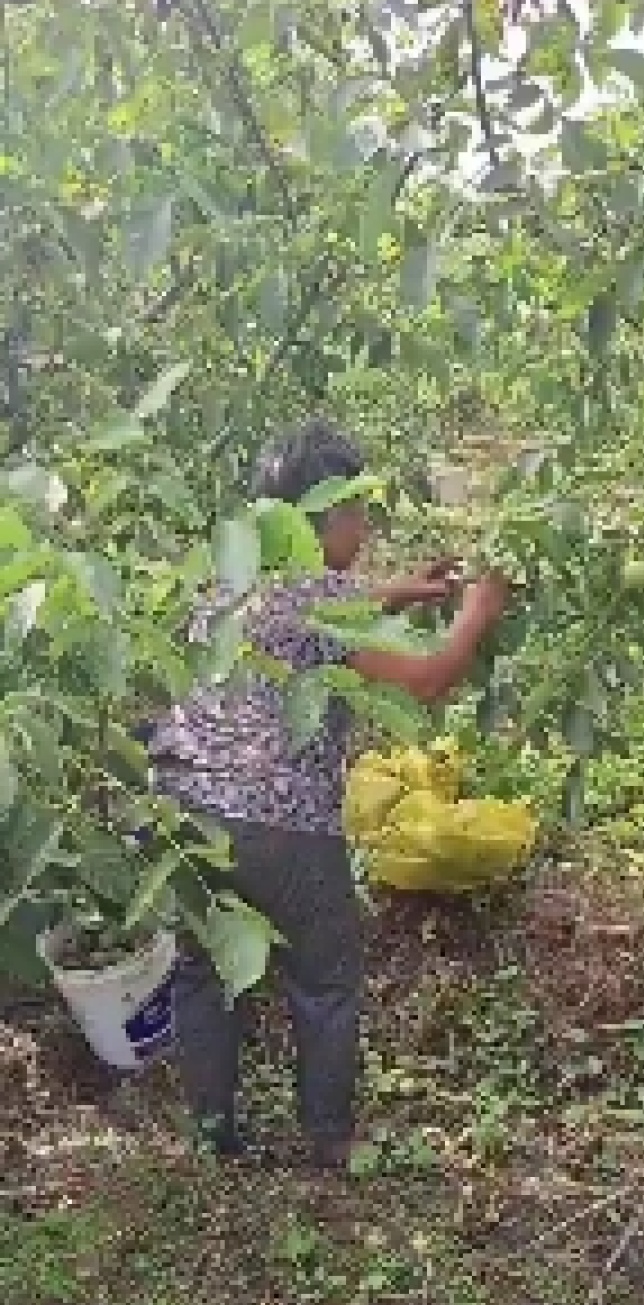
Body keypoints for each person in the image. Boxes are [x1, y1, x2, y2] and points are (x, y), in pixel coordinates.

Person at [149, 418, 509, 1170]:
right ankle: (329, 1143)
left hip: (183, 812)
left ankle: (212, 1138)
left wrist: (399, 593)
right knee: (325, 979)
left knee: (204, 974)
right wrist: (477, 613)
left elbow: (303, 615)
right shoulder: (327, 596)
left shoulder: (231, 571)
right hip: (278, 821)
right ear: (324, 518)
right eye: (356, 513)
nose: (367, 527)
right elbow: (427, 681)